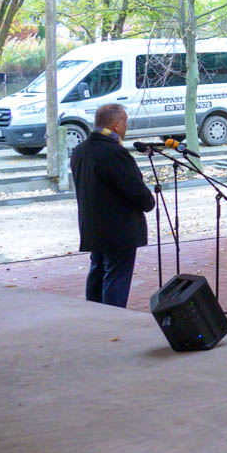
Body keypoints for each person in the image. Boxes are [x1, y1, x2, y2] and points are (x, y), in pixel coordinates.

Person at [71, 103, 154, 308]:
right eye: (125, 122)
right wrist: (149, 202)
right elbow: (134, 188)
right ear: (116, 125)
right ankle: (113, 319)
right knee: (116, 277)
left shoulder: (80, 150)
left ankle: (95, 315)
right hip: (119, 230)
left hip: (93, 227)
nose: (126, 126)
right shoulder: (114, 152)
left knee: (98, 272)